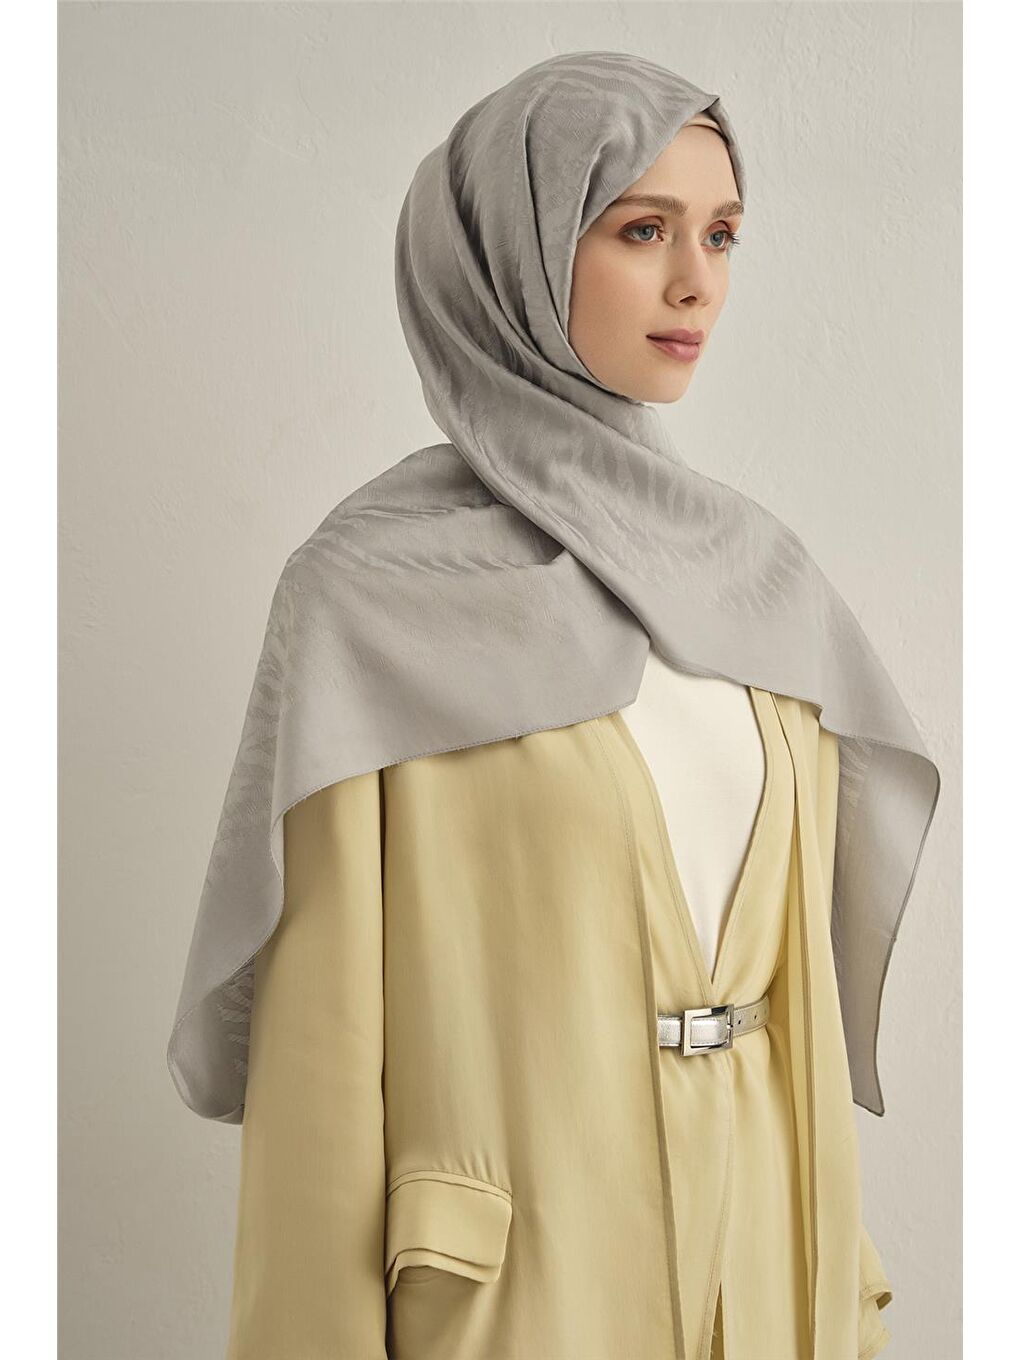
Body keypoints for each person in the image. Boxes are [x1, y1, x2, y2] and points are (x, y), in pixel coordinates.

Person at [167, 52, 940, 1360]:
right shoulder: (370, 602)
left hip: (769, 1287)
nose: (698, 282)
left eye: (722, 234)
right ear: (512, 256)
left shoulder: (758, 578)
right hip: (524, 1298)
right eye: (642, 230)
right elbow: (319, 1073)